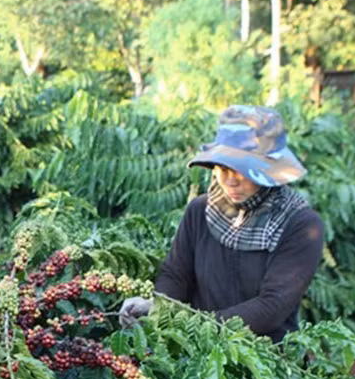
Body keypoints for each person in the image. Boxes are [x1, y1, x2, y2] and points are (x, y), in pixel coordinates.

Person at [119, 105, 324, 343]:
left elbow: (272, 306)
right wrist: (156, 307)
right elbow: (177, 275)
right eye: (222, 168)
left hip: (267, 359)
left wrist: (196, 325)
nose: (229, 181)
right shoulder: (200, 210)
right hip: (198, 348)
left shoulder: (299, 224)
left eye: (240, 170)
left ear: (267, 169)